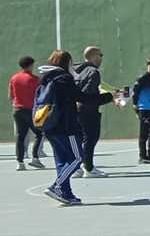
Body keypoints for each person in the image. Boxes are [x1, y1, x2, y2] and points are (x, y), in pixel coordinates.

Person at [38, 50, 115, 205]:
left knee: (61, 161)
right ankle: (57, 186)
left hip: (49, 125)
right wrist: (109, 96)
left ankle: (65, 193)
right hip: (67, 127)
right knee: (77, 158)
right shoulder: (64, 79)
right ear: (67, 63)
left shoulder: (45, 78)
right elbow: (83, 98)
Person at [73, 46, 115, 178]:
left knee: (79, 139)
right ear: (93, 56)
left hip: (75, 110)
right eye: (100, 55)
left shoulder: (76, 70)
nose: (101, 58)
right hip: (88, 111)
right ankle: (89, 168)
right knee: (90, 139)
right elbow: (89, 97)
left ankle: (77, 168)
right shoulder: (93, 72)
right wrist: (110, 97)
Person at [8, 56, 45, 171]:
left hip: (17, 110)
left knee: (20, 137)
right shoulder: (35, 79)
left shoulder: (14, 78)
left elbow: (11, 96)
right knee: (39, 134)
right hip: (31, 111)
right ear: (30, 65)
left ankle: (20, 163)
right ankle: (35, 158)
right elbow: (41, 95)